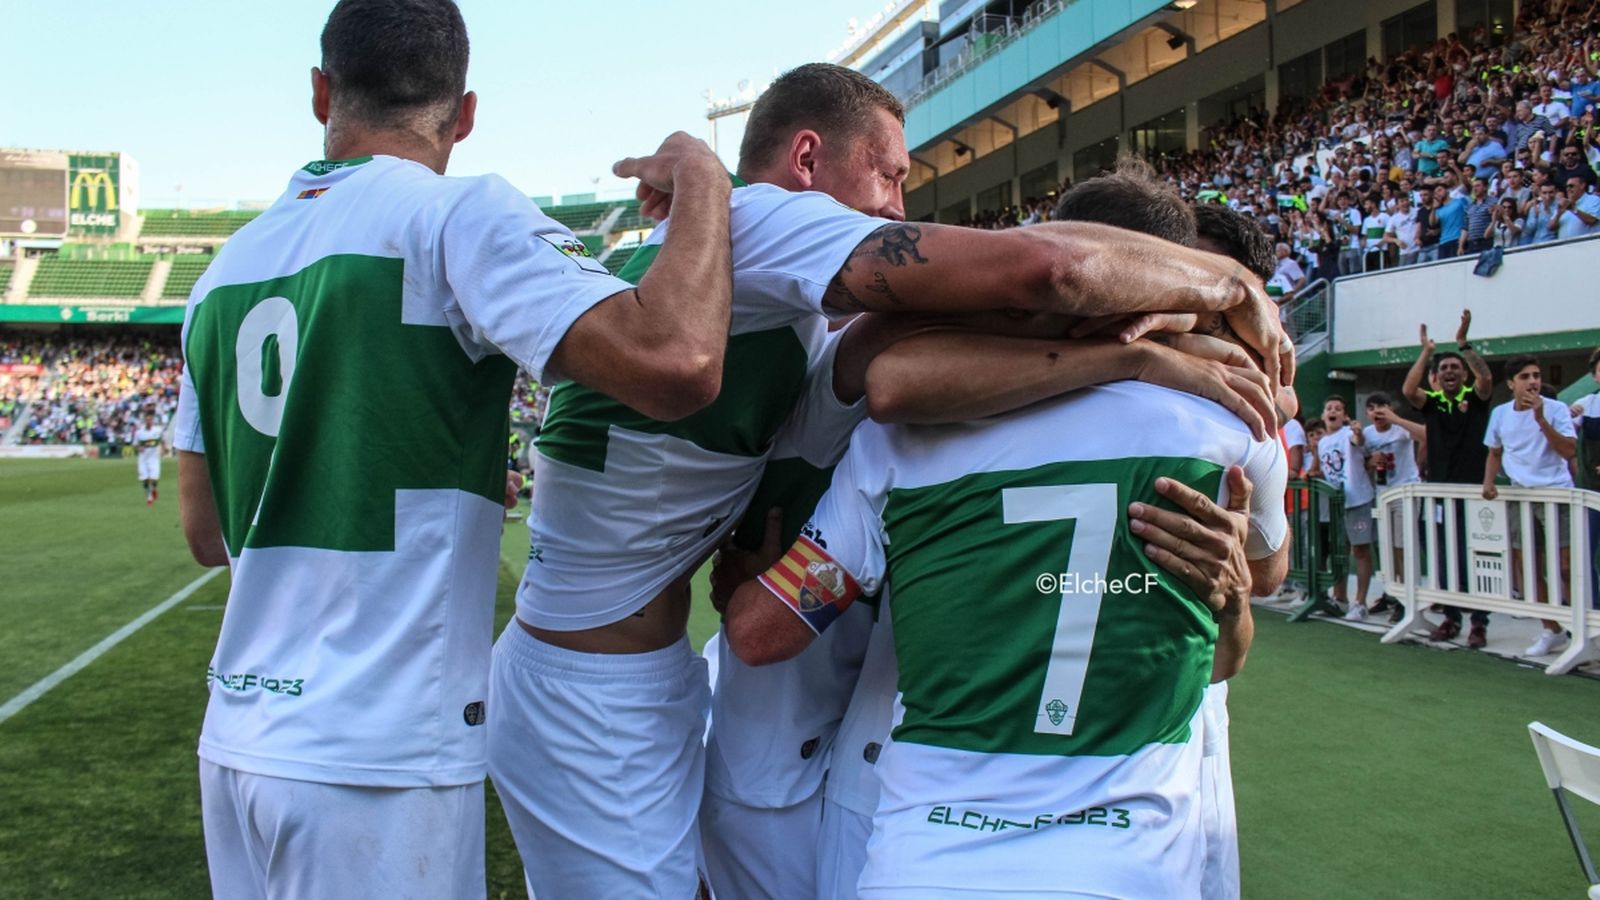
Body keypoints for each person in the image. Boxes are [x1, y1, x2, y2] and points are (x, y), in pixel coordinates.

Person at [489, 65, 1291, 898]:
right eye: (891, 173)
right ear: (807, 157)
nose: (900, 206)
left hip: (682, 684)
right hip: (602, 686)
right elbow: (1043, 276)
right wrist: (1215, 301)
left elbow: (897, 361)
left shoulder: (781, 302)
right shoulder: (759, 221)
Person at [172, 2, 739, 897]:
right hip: (376, 753)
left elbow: (206, 533)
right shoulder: (453, 217)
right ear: (463, 113)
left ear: (322, 91)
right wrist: (705, 176)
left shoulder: (220, 276)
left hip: (239, 744)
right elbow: (679, 359)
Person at [719, 323, 1288, 900]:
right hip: (1126, 864)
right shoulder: (1227, 436)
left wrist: (753, 583)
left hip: (930, 857)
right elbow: (1224, 655)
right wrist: (1234, 594)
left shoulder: (898, 439)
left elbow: (759, 633)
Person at [1403, 311, 1495, 645]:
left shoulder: (1475, 398)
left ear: (1463, 373)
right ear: (1437, 378)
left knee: (1478, 557)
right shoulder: (1434, 402)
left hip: (1474, 494)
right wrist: (1426, 351)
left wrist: (1463, 344)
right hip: (1439, 494)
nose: (1450, 371)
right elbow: (1409, 389)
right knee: (1443, 557)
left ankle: (1480, 622)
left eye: (1455, 367)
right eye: (1444, 369)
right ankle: (1452, 617)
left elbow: (1485, 380)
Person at [1483, 356, 1578, 657]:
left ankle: (1583, 629)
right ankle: (1552, 630)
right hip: (1520, 496)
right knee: (1529, 566)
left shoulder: (1557, 409)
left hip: (1557, 495)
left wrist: (1540, 419)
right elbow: (1495, 451)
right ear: (1511, 383)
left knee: (1566, 567)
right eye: (1525, 376)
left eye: (1536, 375)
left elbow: (1568, 451)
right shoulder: (1499, 413)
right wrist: (1488, 482)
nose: (1533, 381)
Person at [1309, 395, 1378, 616]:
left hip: (1357, 500)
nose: (1333, 411)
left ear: (1344, 416)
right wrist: (1312, 473)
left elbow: (1358, 441)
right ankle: (1340, 598)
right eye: (1329, 408)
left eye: (1338, 409)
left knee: (1360, 549)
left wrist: (1357, 431)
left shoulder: (1348, 434)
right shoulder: (1322, 443)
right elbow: (1319, 469)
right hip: (1335, 503)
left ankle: (1360, 602)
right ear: (1323, 415)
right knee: (1339, 552)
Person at [1359, 392, 1424, 623]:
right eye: (1373, 407)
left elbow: (1426, 436)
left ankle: (1407, 599)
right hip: (1382, 493)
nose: (1378, 411)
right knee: (1386, 548)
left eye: (1383, 406)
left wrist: (1396, 419)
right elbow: (1362, 460)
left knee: (1402, 547)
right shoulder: (1367, 434)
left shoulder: (1400, 428)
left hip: (1405, 491)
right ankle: (1393, 595)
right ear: (1367, 412)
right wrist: (1369, 462)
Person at [133, 411, 163, 506]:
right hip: (143, 459)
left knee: (154, 479)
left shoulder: (158, 431)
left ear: (152, 420)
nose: (148, 421)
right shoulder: (139, 433)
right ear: (144, 421)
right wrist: (138, 448)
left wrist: (164, 449)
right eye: (147, 420)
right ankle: (149, 498)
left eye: (150, 419)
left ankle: (154, 489)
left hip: (154, 458)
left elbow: (163, 440)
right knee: (145, 479)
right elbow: (135, 445)